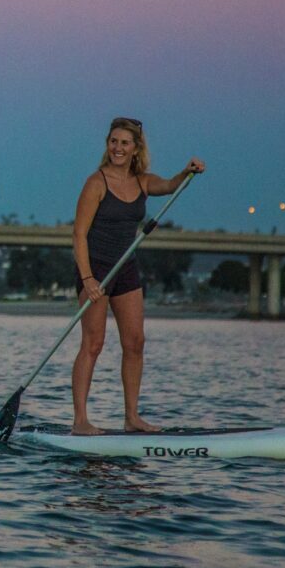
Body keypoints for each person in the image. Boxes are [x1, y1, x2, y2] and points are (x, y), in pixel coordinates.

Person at [71, 117, 204, 435]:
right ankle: (80, 422)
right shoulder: (96, 183)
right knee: (93, 344)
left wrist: (188, 171)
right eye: (113, 141)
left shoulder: (143, 182)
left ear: (135, 149)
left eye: (124, 143)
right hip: (97, 269)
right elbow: (78, 235)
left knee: (135, 343)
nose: (117, 147)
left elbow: (170, 185)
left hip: (126, 267)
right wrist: (88, 278)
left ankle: (132, 417)